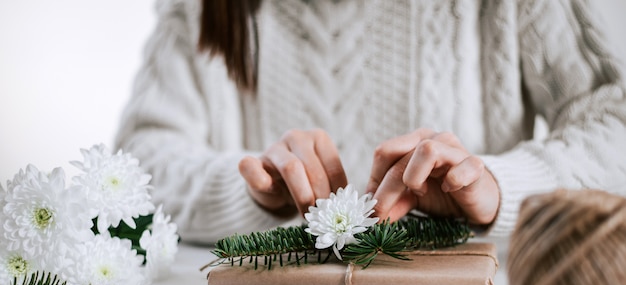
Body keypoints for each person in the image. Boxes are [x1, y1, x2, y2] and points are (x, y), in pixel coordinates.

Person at [115, 0, 626, 244]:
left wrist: (500, 186)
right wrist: (245, 188)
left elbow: (615, 120)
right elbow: (138, 162)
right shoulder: (199, 8)